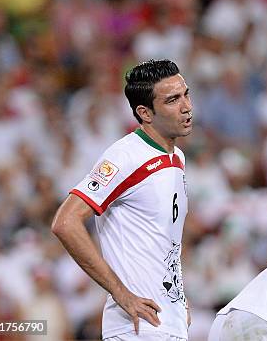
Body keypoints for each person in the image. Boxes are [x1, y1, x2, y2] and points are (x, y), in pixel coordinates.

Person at [51, 59, 193, 340]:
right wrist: (121, 294)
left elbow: (163, 242)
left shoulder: (176, 158)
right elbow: (65, 222)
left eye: (186, 94)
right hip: (135, 328)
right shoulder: (125, 156)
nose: (186, 106)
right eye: (172, 100)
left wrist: (178, 300)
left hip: (168, 322)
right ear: (145, 113)